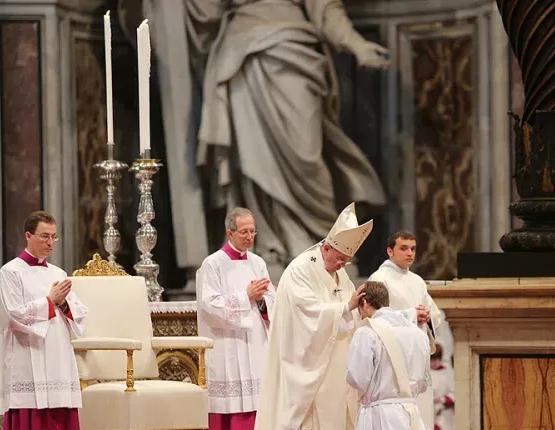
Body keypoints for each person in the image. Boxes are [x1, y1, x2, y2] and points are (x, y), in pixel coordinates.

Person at [118, 0, 389, 267]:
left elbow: (325, 7)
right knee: (252, 159)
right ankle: (266, 244)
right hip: (240, 53)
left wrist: (356, 44)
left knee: (305, 156)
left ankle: (318, 242)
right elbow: (205, 11)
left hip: (293, 49)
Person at [249, 202, 372, 430]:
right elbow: (306, 314)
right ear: (327, 248)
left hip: (333, 364)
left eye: (347, 261)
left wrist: (356, 313)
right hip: (306, 362)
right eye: (340, 258)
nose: (343, 265)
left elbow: (349, 309)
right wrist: (345, 308)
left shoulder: (339, 273)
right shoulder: (300, 270)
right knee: (305, 429)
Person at [0, 211, 88, 430]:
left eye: (54, 237)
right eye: (45, 236)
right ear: (28, 236)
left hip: (57, 357)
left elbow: (79, 312)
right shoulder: (10, 273)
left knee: (60, 424)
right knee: (31, 425)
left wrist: (64, 306)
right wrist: (50, 302)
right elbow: (13, 316)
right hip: (27, 358)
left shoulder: (58, 273)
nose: (50, 242)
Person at [196, 207, 275, 430]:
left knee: (257, 403)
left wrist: (262, 300)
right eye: (244, 232)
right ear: (229, 232)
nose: (249, 236)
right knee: (231, 405)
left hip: (254, 344)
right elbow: (210, 305)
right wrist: (246, 297)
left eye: (253, 231)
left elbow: (272, 301)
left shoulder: (258, 262)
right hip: (227, 344)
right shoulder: (213, 264)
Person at [346, 281, 431, 430]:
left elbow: (357, 378)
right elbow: (424, 382)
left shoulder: (367, 333)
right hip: (410, 413)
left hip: (378, 416)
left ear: (365, 303)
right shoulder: (418, 334)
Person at [368, 230, 446, 430]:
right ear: (389, 251)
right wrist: (412, 315)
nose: (409, 253)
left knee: (422, 419)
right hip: (395, 359)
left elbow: (434, 314)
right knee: (401, 423)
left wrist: (427, 316)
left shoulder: (417, 281)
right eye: (403, 248)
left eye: (412, 248)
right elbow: (374, 317)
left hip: (418, 357)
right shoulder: (379, 279)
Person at [430, 344, 455, 430]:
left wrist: (442, 399)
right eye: (432, 360)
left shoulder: (448, 371)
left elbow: (455, 393)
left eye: (437, 359)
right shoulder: (425, 372)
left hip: (444, 413)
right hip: (429, 412)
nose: (435, 363)